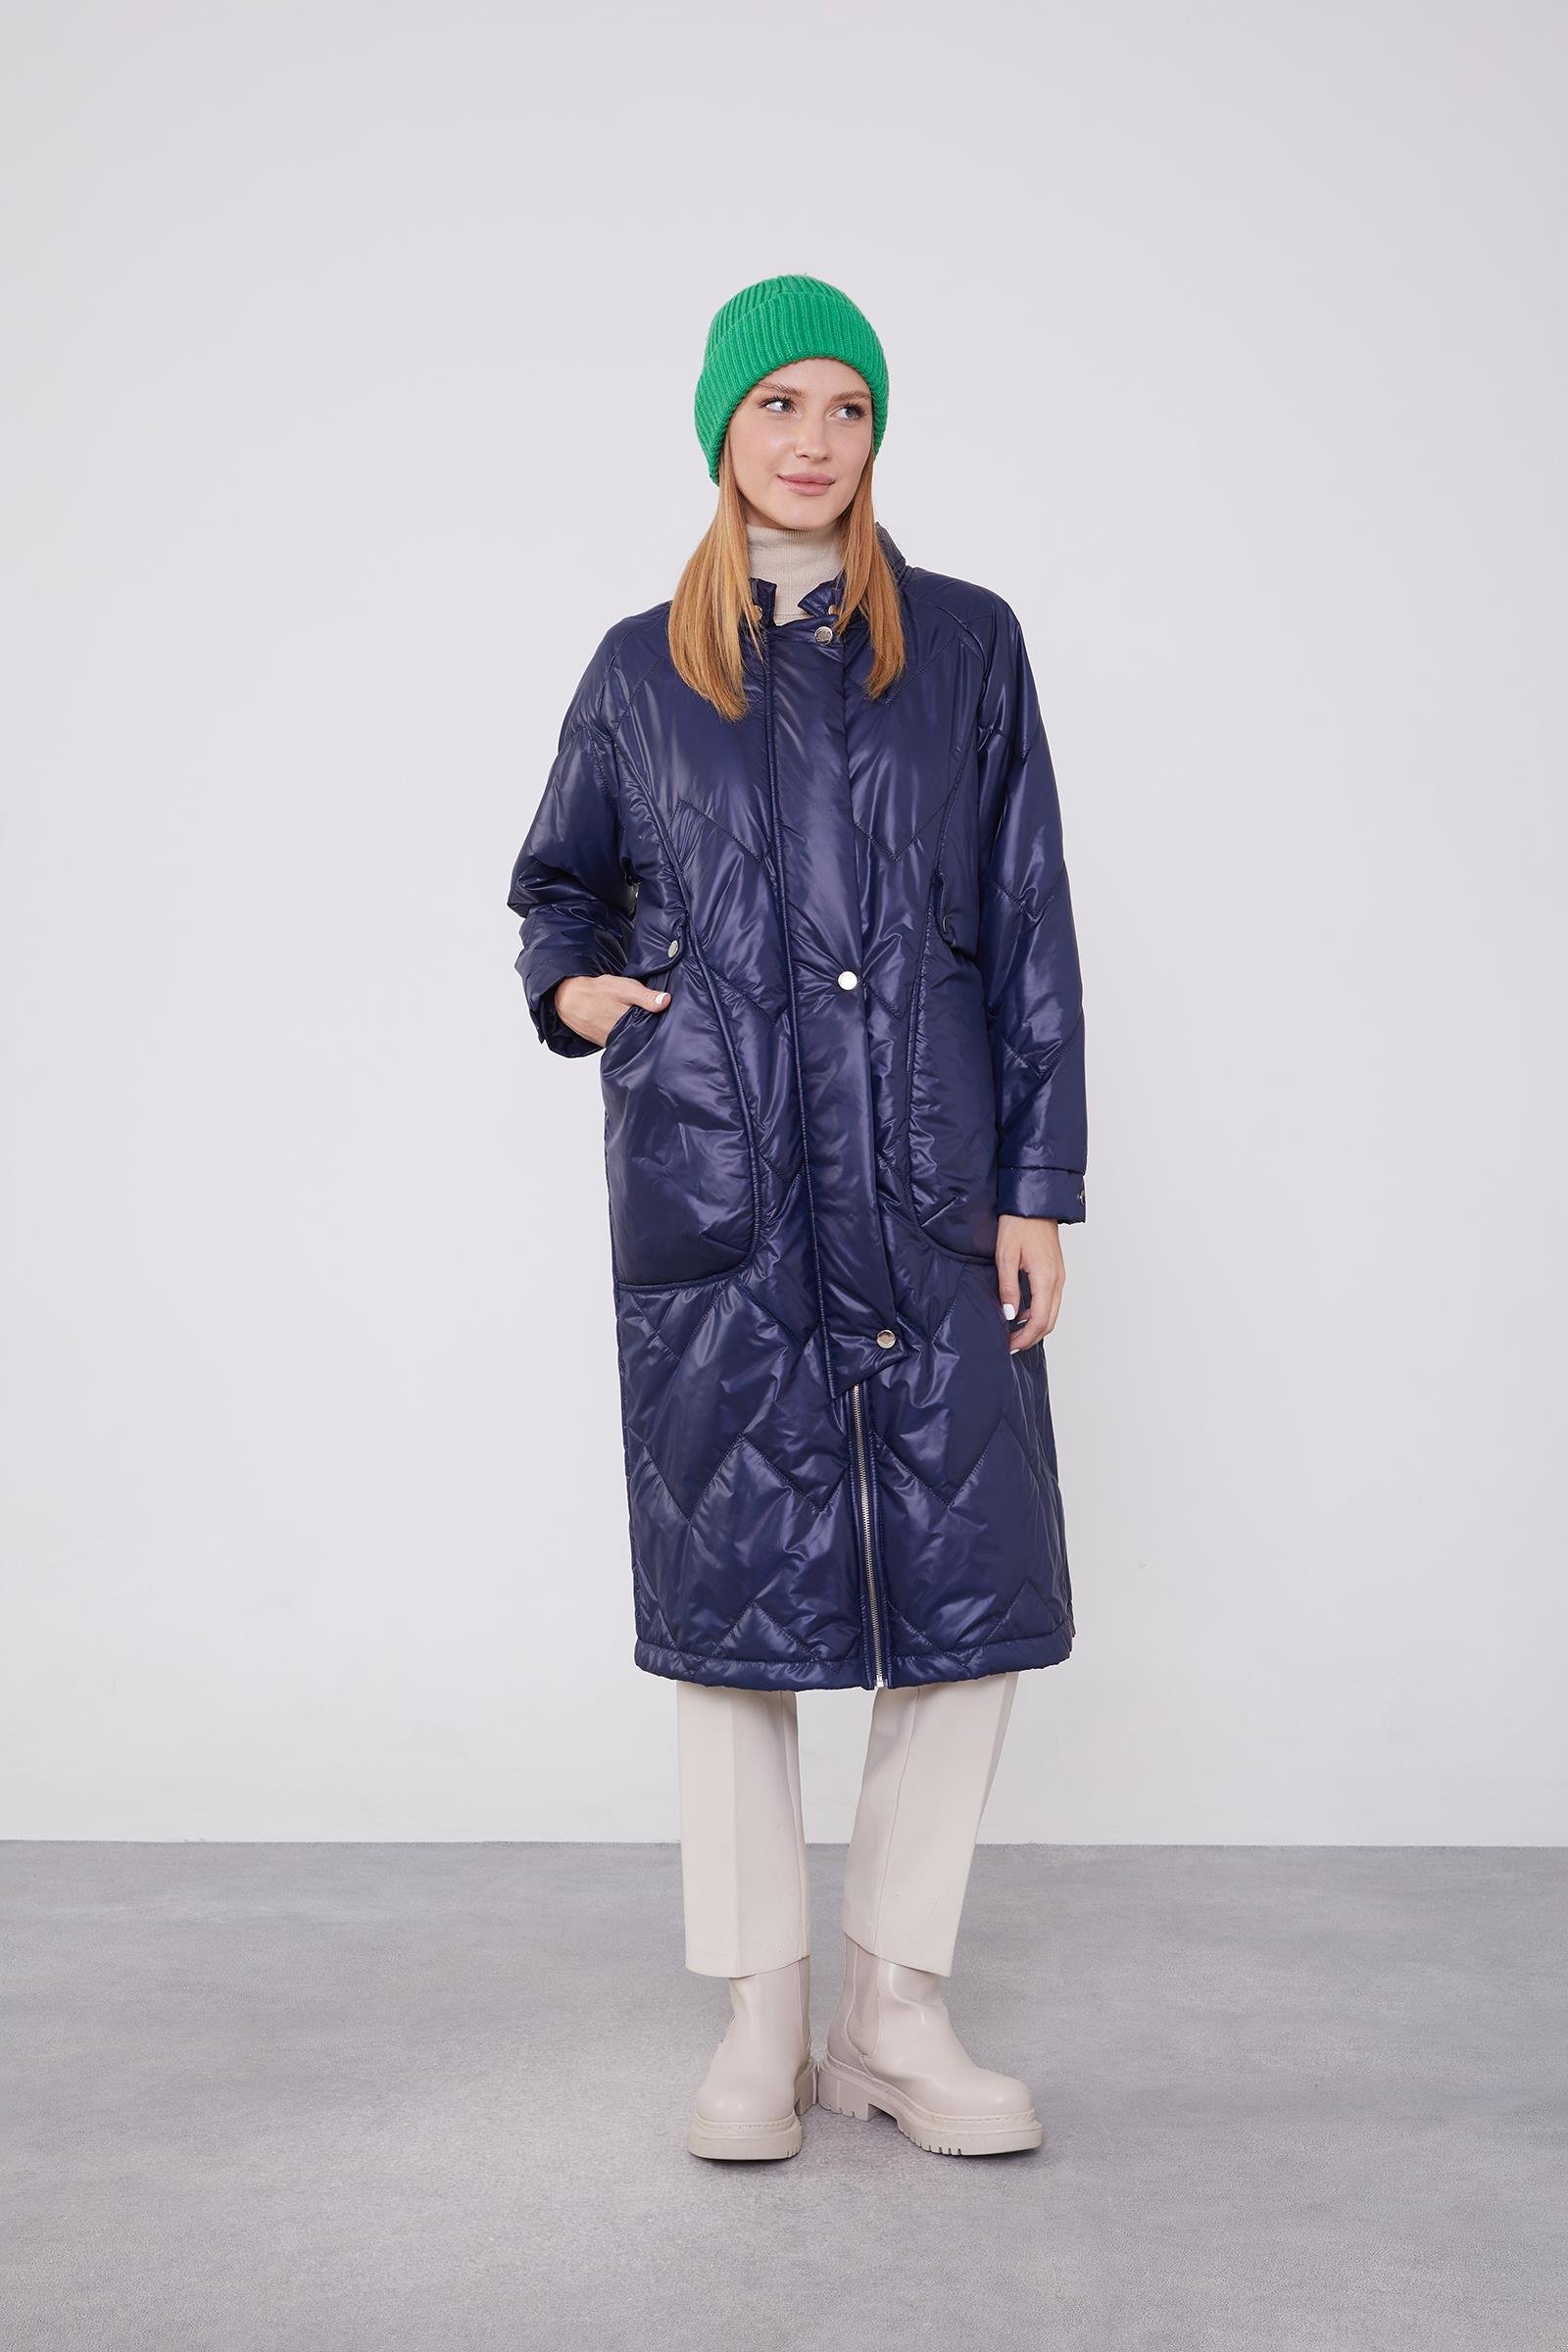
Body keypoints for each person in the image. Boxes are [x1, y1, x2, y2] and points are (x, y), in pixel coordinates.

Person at [507, 273, 1088, 2163]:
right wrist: (584, 994)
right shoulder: (638, 670)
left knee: (965, 1596)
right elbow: (559, 886)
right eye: (780, 404)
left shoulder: (970, 647)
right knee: (734, 1605)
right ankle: (763, 2023)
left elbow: (1032, 925)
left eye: (848, 406)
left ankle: (893, 2017)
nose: (815, 439)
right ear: (722, 430)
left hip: (931, 1188)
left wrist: (1039, 1187)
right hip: (725, 1186)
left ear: (876, 433)